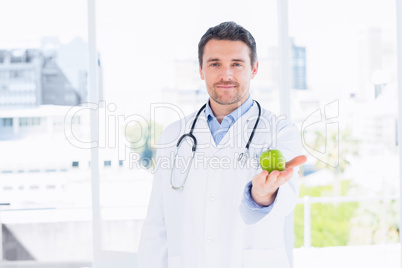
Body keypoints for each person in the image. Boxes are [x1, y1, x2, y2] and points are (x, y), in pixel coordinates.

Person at [138, 21, 307, 268]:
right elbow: (157, 223)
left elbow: (286, 201)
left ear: (254, 68)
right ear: (201, 70)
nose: (226, 75)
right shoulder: (174, 136)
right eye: (215, 64)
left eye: (236, 64)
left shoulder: (280, 132)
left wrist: (262, 195)